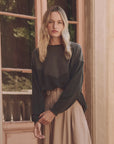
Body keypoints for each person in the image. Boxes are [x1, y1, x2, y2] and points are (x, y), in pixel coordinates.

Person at [32, 5, 92, 144]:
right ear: (45, 24)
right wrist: (36, 119)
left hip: (70, 106)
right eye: (51, 21)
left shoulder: (75, 50)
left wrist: (54, 112)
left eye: (59, 22)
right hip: (47, 110)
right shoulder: (38, 54)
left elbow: (75, 86)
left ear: (64, 25)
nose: (55, 26)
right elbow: (36, 88)